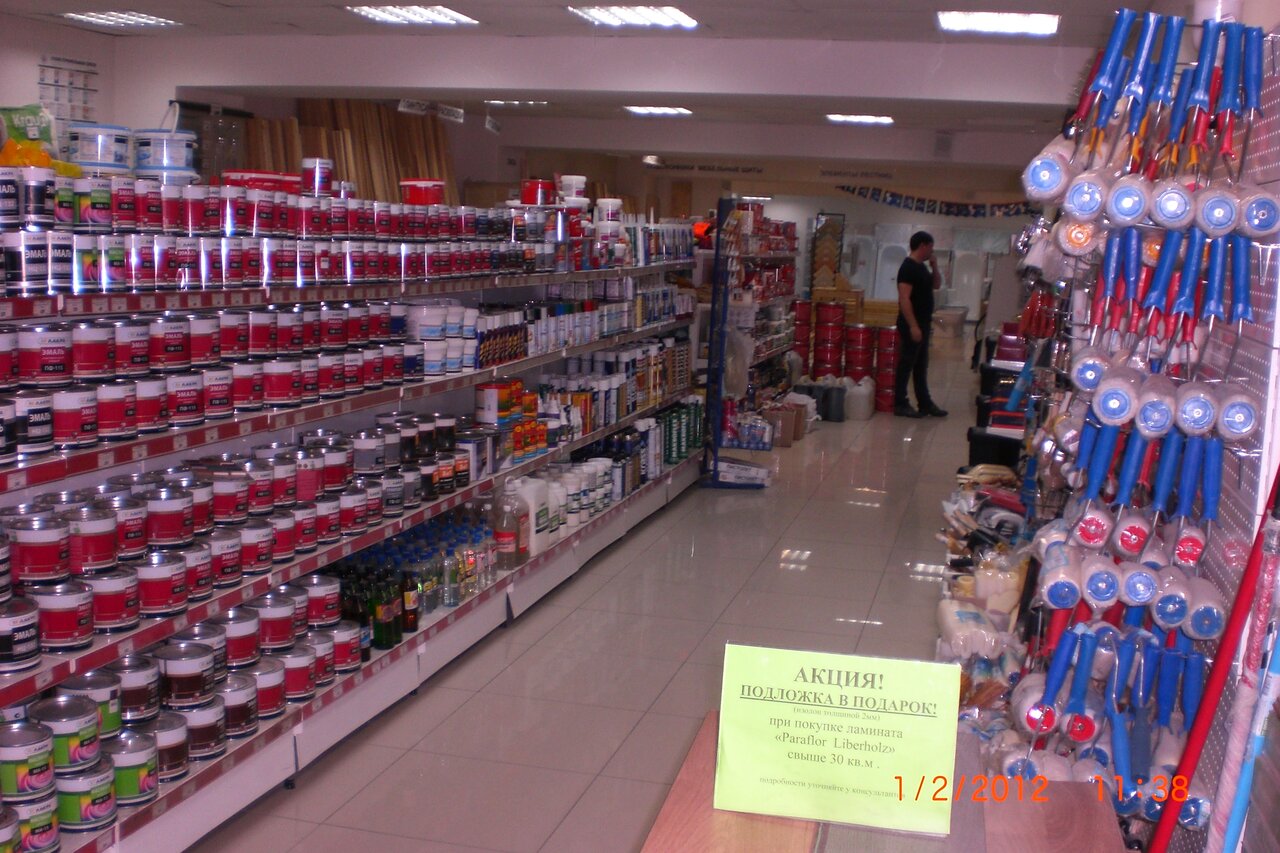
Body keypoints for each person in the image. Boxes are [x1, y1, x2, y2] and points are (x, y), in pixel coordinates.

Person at [894, 231, 948, 418]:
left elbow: (936, 285)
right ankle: (900, 403)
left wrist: (935, 266)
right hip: (912, 323)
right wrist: (913, 326)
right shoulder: (908, 268)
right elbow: (904, 299)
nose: (932, 251)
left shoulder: (922, 267)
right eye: (931, 247)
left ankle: (925, 403)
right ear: (923, 246)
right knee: (906, 363)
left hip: (923, 323)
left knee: (920, 365)